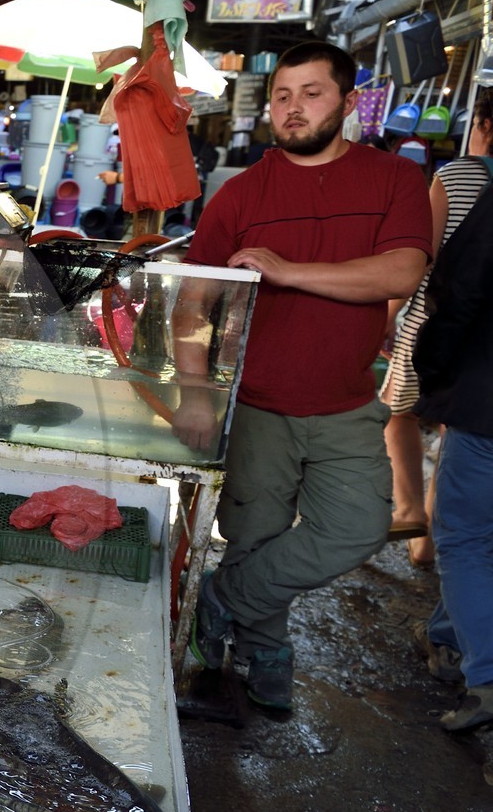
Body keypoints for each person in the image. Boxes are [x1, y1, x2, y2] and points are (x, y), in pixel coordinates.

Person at [171, 41, 432, 711]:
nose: (293, 108)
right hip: (257, 404)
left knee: (357, 527)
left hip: (347, 405)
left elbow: (401, 271)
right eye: (283, 96)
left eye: (312, 94)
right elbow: (193, 303)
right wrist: (195, 393)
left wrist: (287, 272)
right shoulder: (240, 194)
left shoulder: (394, 179)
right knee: (253, 537)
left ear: (348, 102)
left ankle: (219, 599)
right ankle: (264, 656)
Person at [380, 89, 493, 569]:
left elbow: (418, 258)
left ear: (483, 126)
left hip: (437, 322)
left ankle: (413, 517)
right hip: (484, 343)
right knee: (459, 430)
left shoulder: (458, 174)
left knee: (398, 413)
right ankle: (438, 531)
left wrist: (386, 316)